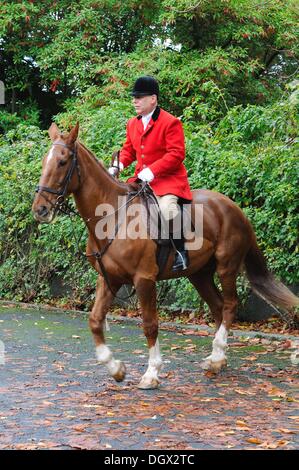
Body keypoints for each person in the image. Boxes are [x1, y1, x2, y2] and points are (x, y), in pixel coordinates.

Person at [108, 76, 192, 271]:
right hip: (140, 181)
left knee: (167, 210)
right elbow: (129, 150)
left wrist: (152, 171)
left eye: (139, 97)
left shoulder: (170, 122)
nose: (134, 101)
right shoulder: (132, 123)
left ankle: (181, 252)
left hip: (167, 181)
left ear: (152, 99)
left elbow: (177, 154)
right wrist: (117, 165)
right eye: (134, 97)